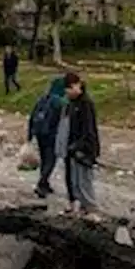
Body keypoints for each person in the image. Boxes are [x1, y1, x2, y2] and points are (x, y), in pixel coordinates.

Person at [56, 73, 100, 215]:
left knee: (84, 181)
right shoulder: (70, 103)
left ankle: (91, 208)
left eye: (69, 88)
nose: (67, 92)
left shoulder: (86, 104)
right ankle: (79, 206)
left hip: (83, 149)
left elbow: (88, 130)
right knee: (73, 180)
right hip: (71, 148)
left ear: (76, 85)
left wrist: (78, 146)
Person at [27, 76, 66, 198]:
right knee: (51, 160)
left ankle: (44, 182)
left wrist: (30, 134)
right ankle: (42, 183)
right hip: (52, 135)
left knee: (44, 158)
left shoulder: (43, 99)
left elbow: (33, 115)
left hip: (39, 133)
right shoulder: (60, 102)